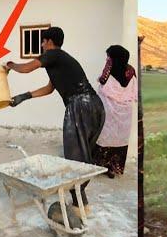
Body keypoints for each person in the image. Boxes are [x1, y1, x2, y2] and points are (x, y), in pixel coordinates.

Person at [6, 27, 105, 218]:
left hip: (79, 106)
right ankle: (81, 202)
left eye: (43, 42)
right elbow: (50, 88)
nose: (42, 46)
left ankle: (79, 205)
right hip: (95, 106)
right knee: (84, 158)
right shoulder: (59, 62)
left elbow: (26, 68)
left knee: (75, 157)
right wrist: (24, 96)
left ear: (49, 41)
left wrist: (10, 65)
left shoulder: (54, 54)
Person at [94, 45, 138, 178]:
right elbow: (134, 92)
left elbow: (102, 86)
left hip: (109, 112)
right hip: (125, 113)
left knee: (105, 136)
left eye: (109, 57)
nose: (107, 59)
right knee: (119, 138)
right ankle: (113, 168)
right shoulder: (131, 72)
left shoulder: (108, 73)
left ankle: (101, 166)